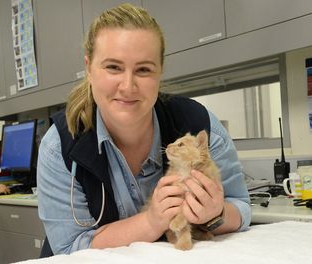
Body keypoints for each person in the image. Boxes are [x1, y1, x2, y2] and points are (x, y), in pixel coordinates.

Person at [37, 3, 251, 255]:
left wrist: (217, 214)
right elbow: (69, 246)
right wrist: (151, 221)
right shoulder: (59, 146)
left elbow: (241, 207)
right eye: (113, 67)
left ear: (160, 72)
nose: (128, 86)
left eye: (143, 70)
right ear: (89, 69)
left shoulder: (199, 125)